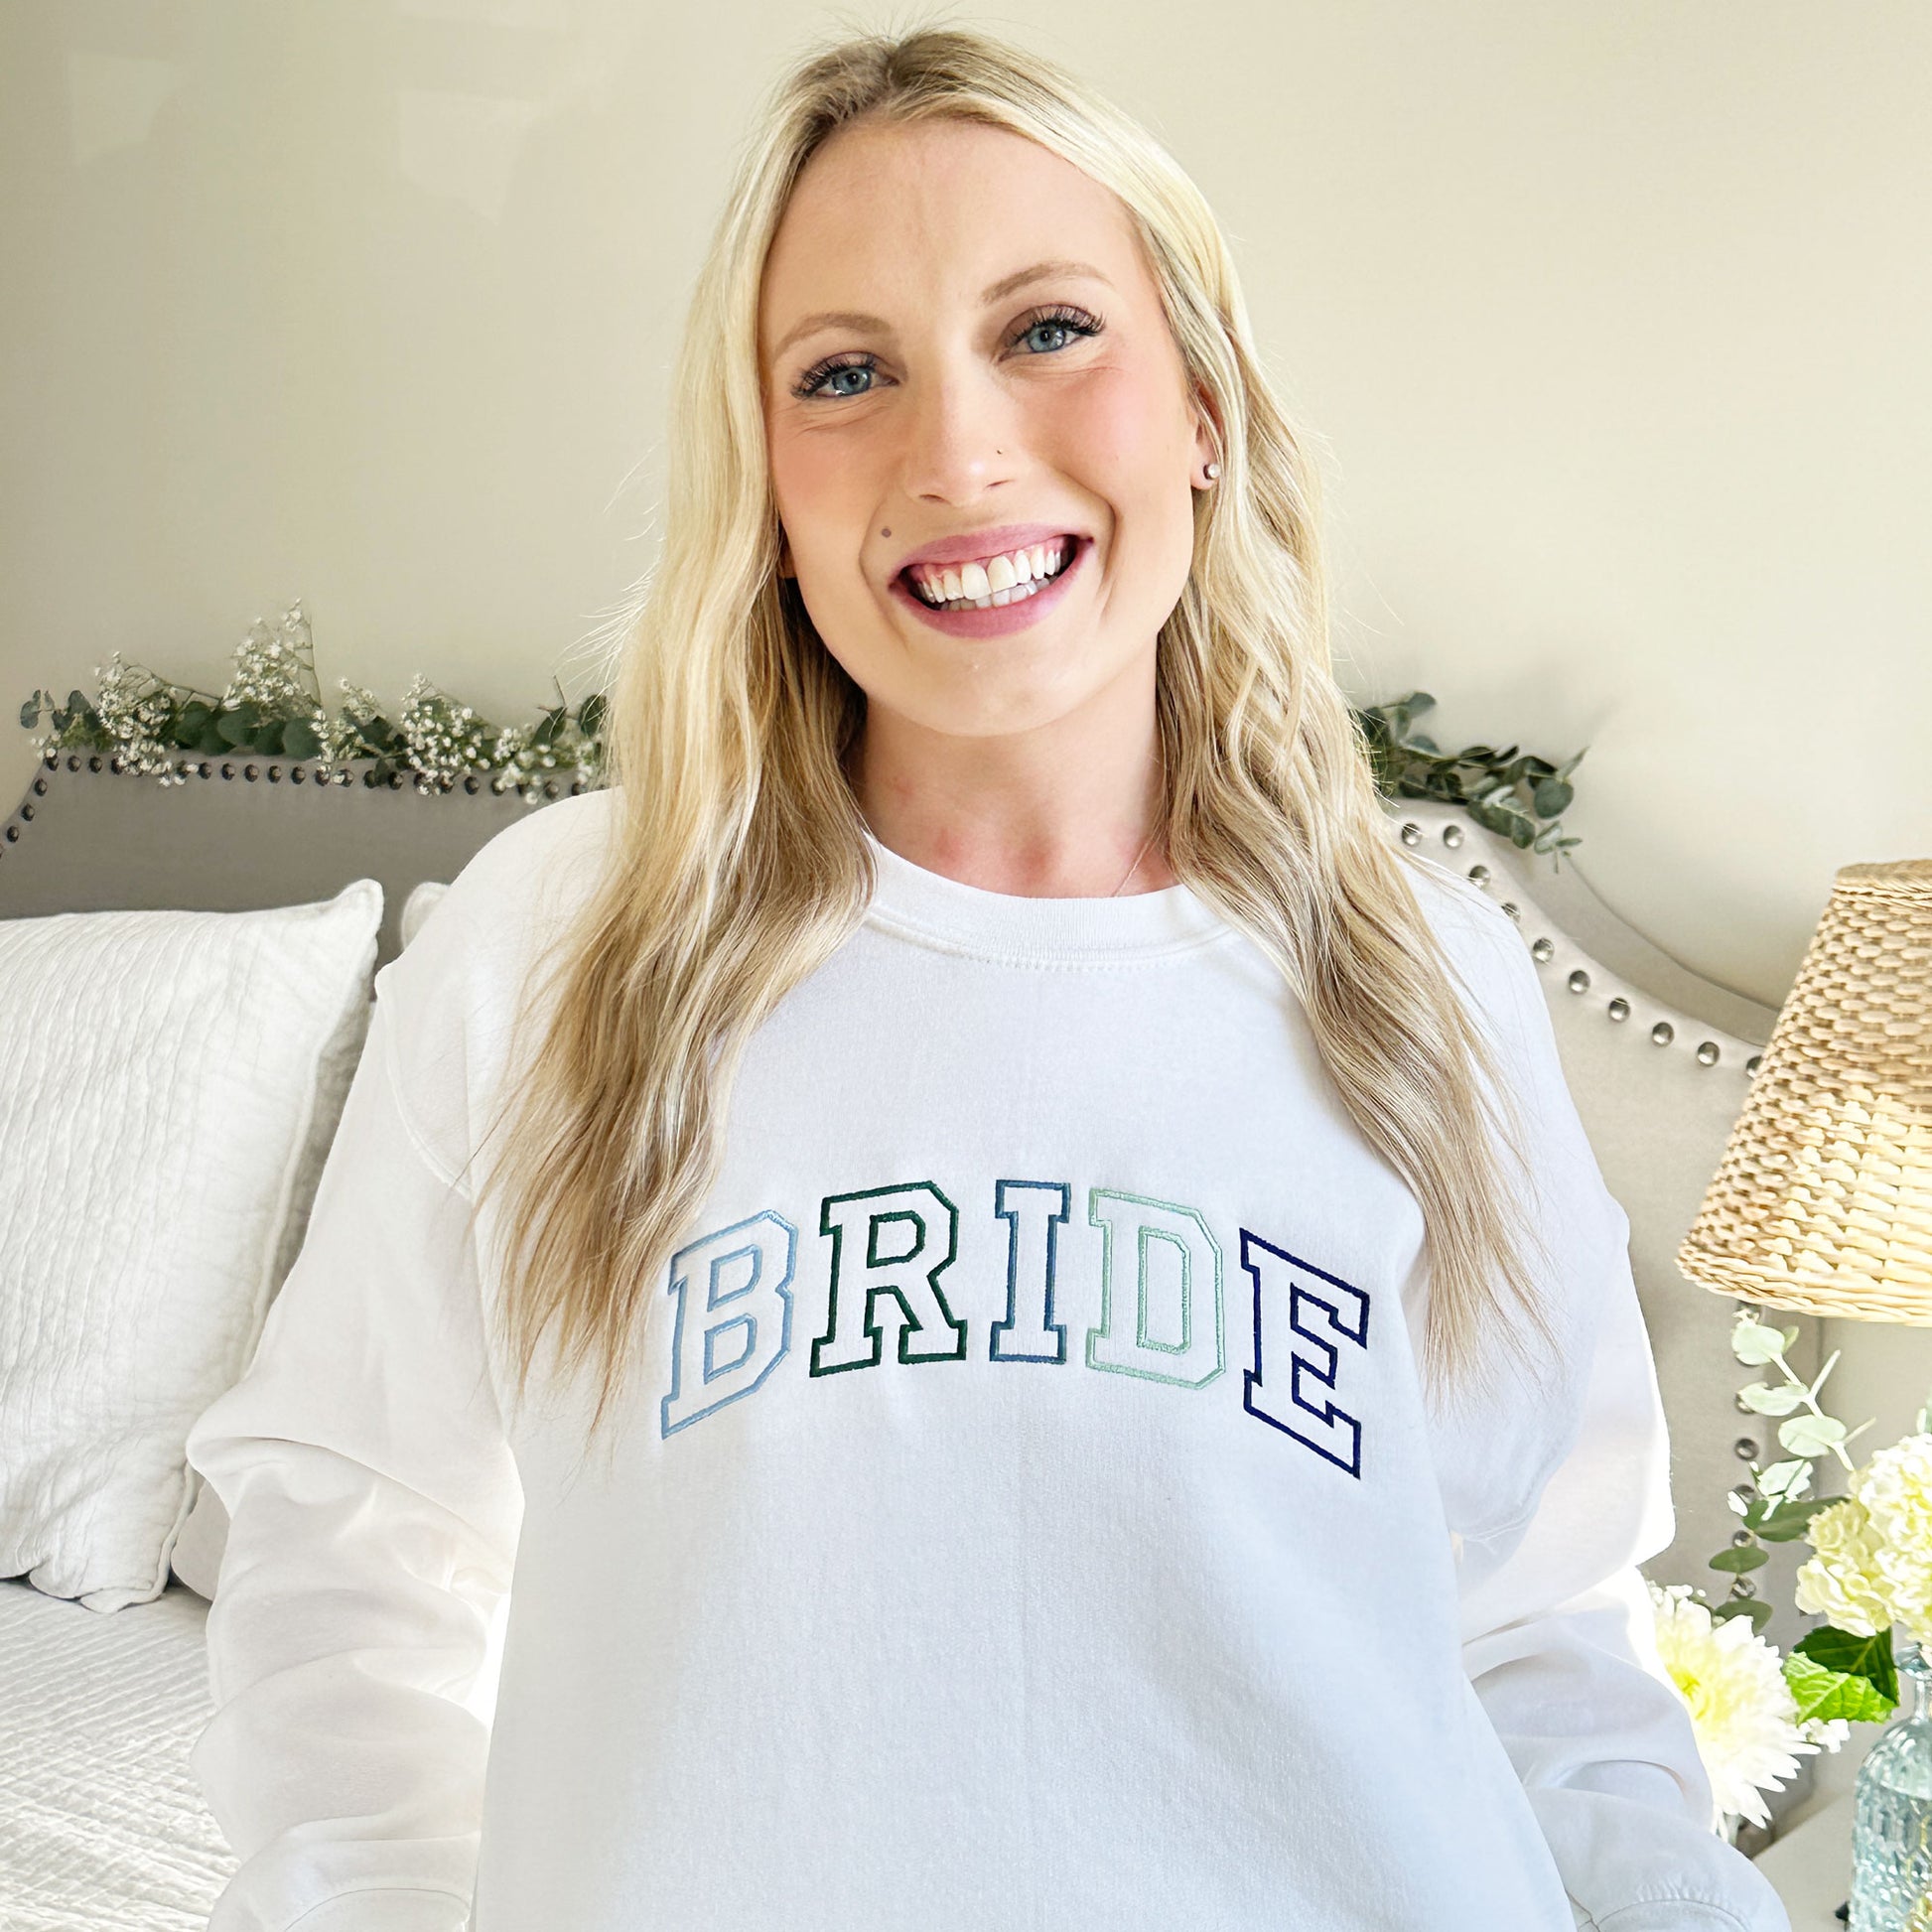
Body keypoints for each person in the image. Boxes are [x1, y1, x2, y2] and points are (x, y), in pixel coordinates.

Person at [185, 26, 1793, 1932]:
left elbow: (1539, 1634)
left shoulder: (1420, 975)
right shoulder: (561, 941)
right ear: (764, 480)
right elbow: (355, 1567)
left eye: (1047, 330)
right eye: (844, 373)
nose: (954, 453)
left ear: (1199, 403)